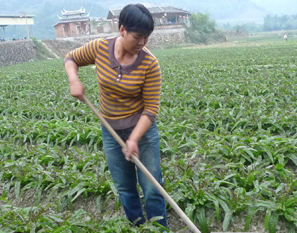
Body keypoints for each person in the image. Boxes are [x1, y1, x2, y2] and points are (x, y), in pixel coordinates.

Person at [64, 3, 168, 229]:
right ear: (122, 30)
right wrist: (74, 80)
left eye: (146, 38)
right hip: (110, 129)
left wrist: (133, 139)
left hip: (142, 132)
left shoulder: (150, 64)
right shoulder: (100, 48)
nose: (142, 43)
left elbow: (150, 110)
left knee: (152, 187)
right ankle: (137, 225)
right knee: (125, 187)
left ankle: (159, 228)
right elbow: (71, 58)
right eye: (137, 36)